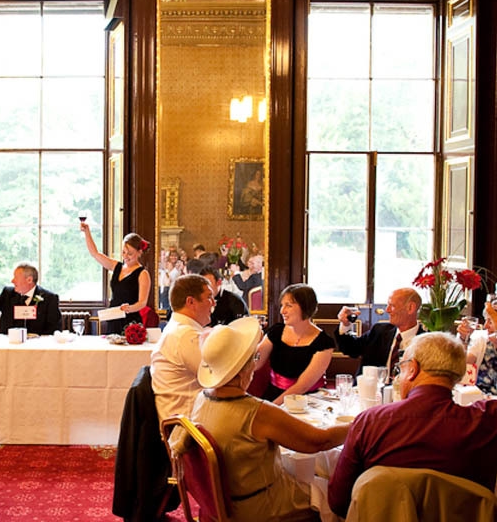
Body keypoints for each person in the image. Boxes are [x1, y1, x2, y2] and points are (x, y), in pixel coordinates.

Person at [327, 296, 497, 517]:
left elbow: (339, 501)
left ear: (412, 369)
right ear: (456, 376)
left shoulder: (370, 422)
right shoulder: (486, 422)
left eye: (402, 368)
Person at [175, 317, 349, 521]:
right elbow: (320, 441)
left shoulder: (200, 399)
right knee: (334, 494)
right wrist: (361, 424)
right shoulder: (257, 412)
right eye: (253, 359)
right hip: (259, 507)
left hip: (219, 503)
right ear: (244, 370)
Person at [255, 283, 334, 404]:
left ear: (305, 307)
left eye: (289, 305)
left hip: (306, 401)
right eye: (282, 305)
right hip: (273, 394)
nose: (282, 311)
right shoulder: (276, 332)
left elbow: (302, 386)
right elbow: (255, 363)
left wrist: (271, 408)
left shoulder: (324, 343)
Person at [150, 274, 214, 423]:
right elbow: (218, 378)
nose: (213, 303)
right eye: (209, 297)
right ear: (191, 302)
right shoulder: (184, 335)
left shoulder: (179, 329)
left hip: (188, 418)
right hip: (188, 428)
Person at [80, 223, 153, 333]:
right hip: (113, 317)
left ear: (139, 252)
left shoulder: (143, 274)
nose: (125, 257)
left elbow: (142, 302)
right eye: (123, 252)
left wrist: (129, 308)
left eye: (130, 254)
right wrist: (87, 232)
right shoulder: (117, 266)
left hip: (130, 321)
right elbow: (95, 253)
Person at [335, 287, 423, 374]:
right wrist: (345, 324)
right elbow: (351, 349)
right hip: (371, 387)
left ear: (410, 308)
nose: (387, 310)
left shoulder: (426, 341)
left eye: (392, 306)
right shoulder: (379, 331)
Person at [0, 264, 60, 335]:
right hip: (10, 345)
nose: (12, 281)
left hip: (37, 347)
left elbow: (54, 329)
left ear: (29, 280)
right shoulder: (8, 293)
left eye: (16, 277)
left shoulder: (49, 299)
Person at [458, 314, 497, 395]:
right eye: (486, 320)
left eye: (490, 321)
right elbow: (462, 364)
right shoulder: (481, 340)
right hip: (480, 398)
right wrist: (464, 339)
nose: (485, 325)